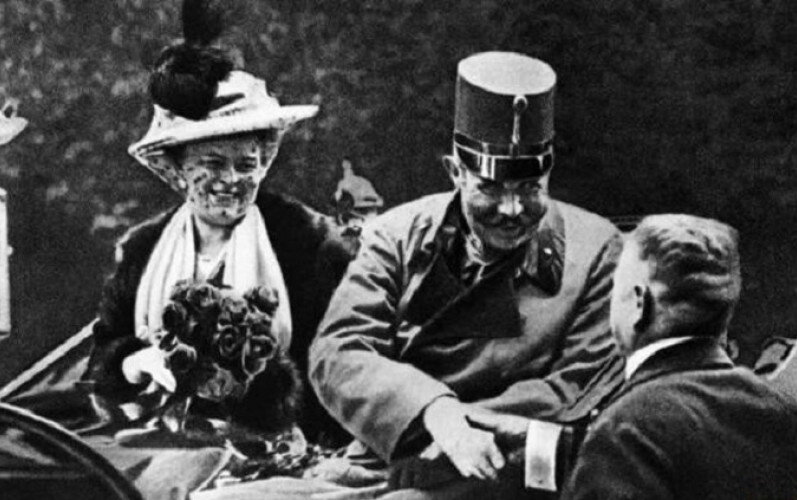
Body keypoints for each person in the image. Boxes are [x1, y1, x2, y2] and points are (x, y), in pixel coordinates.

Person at [305, 51, 624, 497]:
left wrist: (463, 432)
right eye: (490, 188)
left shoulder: (598, 250)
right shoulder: (397, 236)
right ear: (455, 172)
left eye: (530, 188)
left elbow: (577, 387)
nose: (511, 209)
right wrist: (434, 413)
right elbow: (338, 351)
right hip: (390, 452)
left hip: (508, 470)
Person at [82, 0, 351, 443]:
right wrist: (134, 362)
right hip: (160, 451)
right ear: (177, 168)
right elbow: (100, 358)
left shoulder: (310, 243)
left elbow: (342, 370)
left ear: (265, 162)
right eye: (212, 164)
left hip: (285, 455)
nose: (230, 181)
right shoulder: (142, 247)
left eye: (245, 165)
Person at [467, 214, 797, 499]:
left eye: (614, 288)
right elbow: (698, 457)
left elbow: (645, 444)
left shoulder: (626, 427)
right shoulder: (780, 410)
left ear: (639, 303)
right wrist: (543, 443)